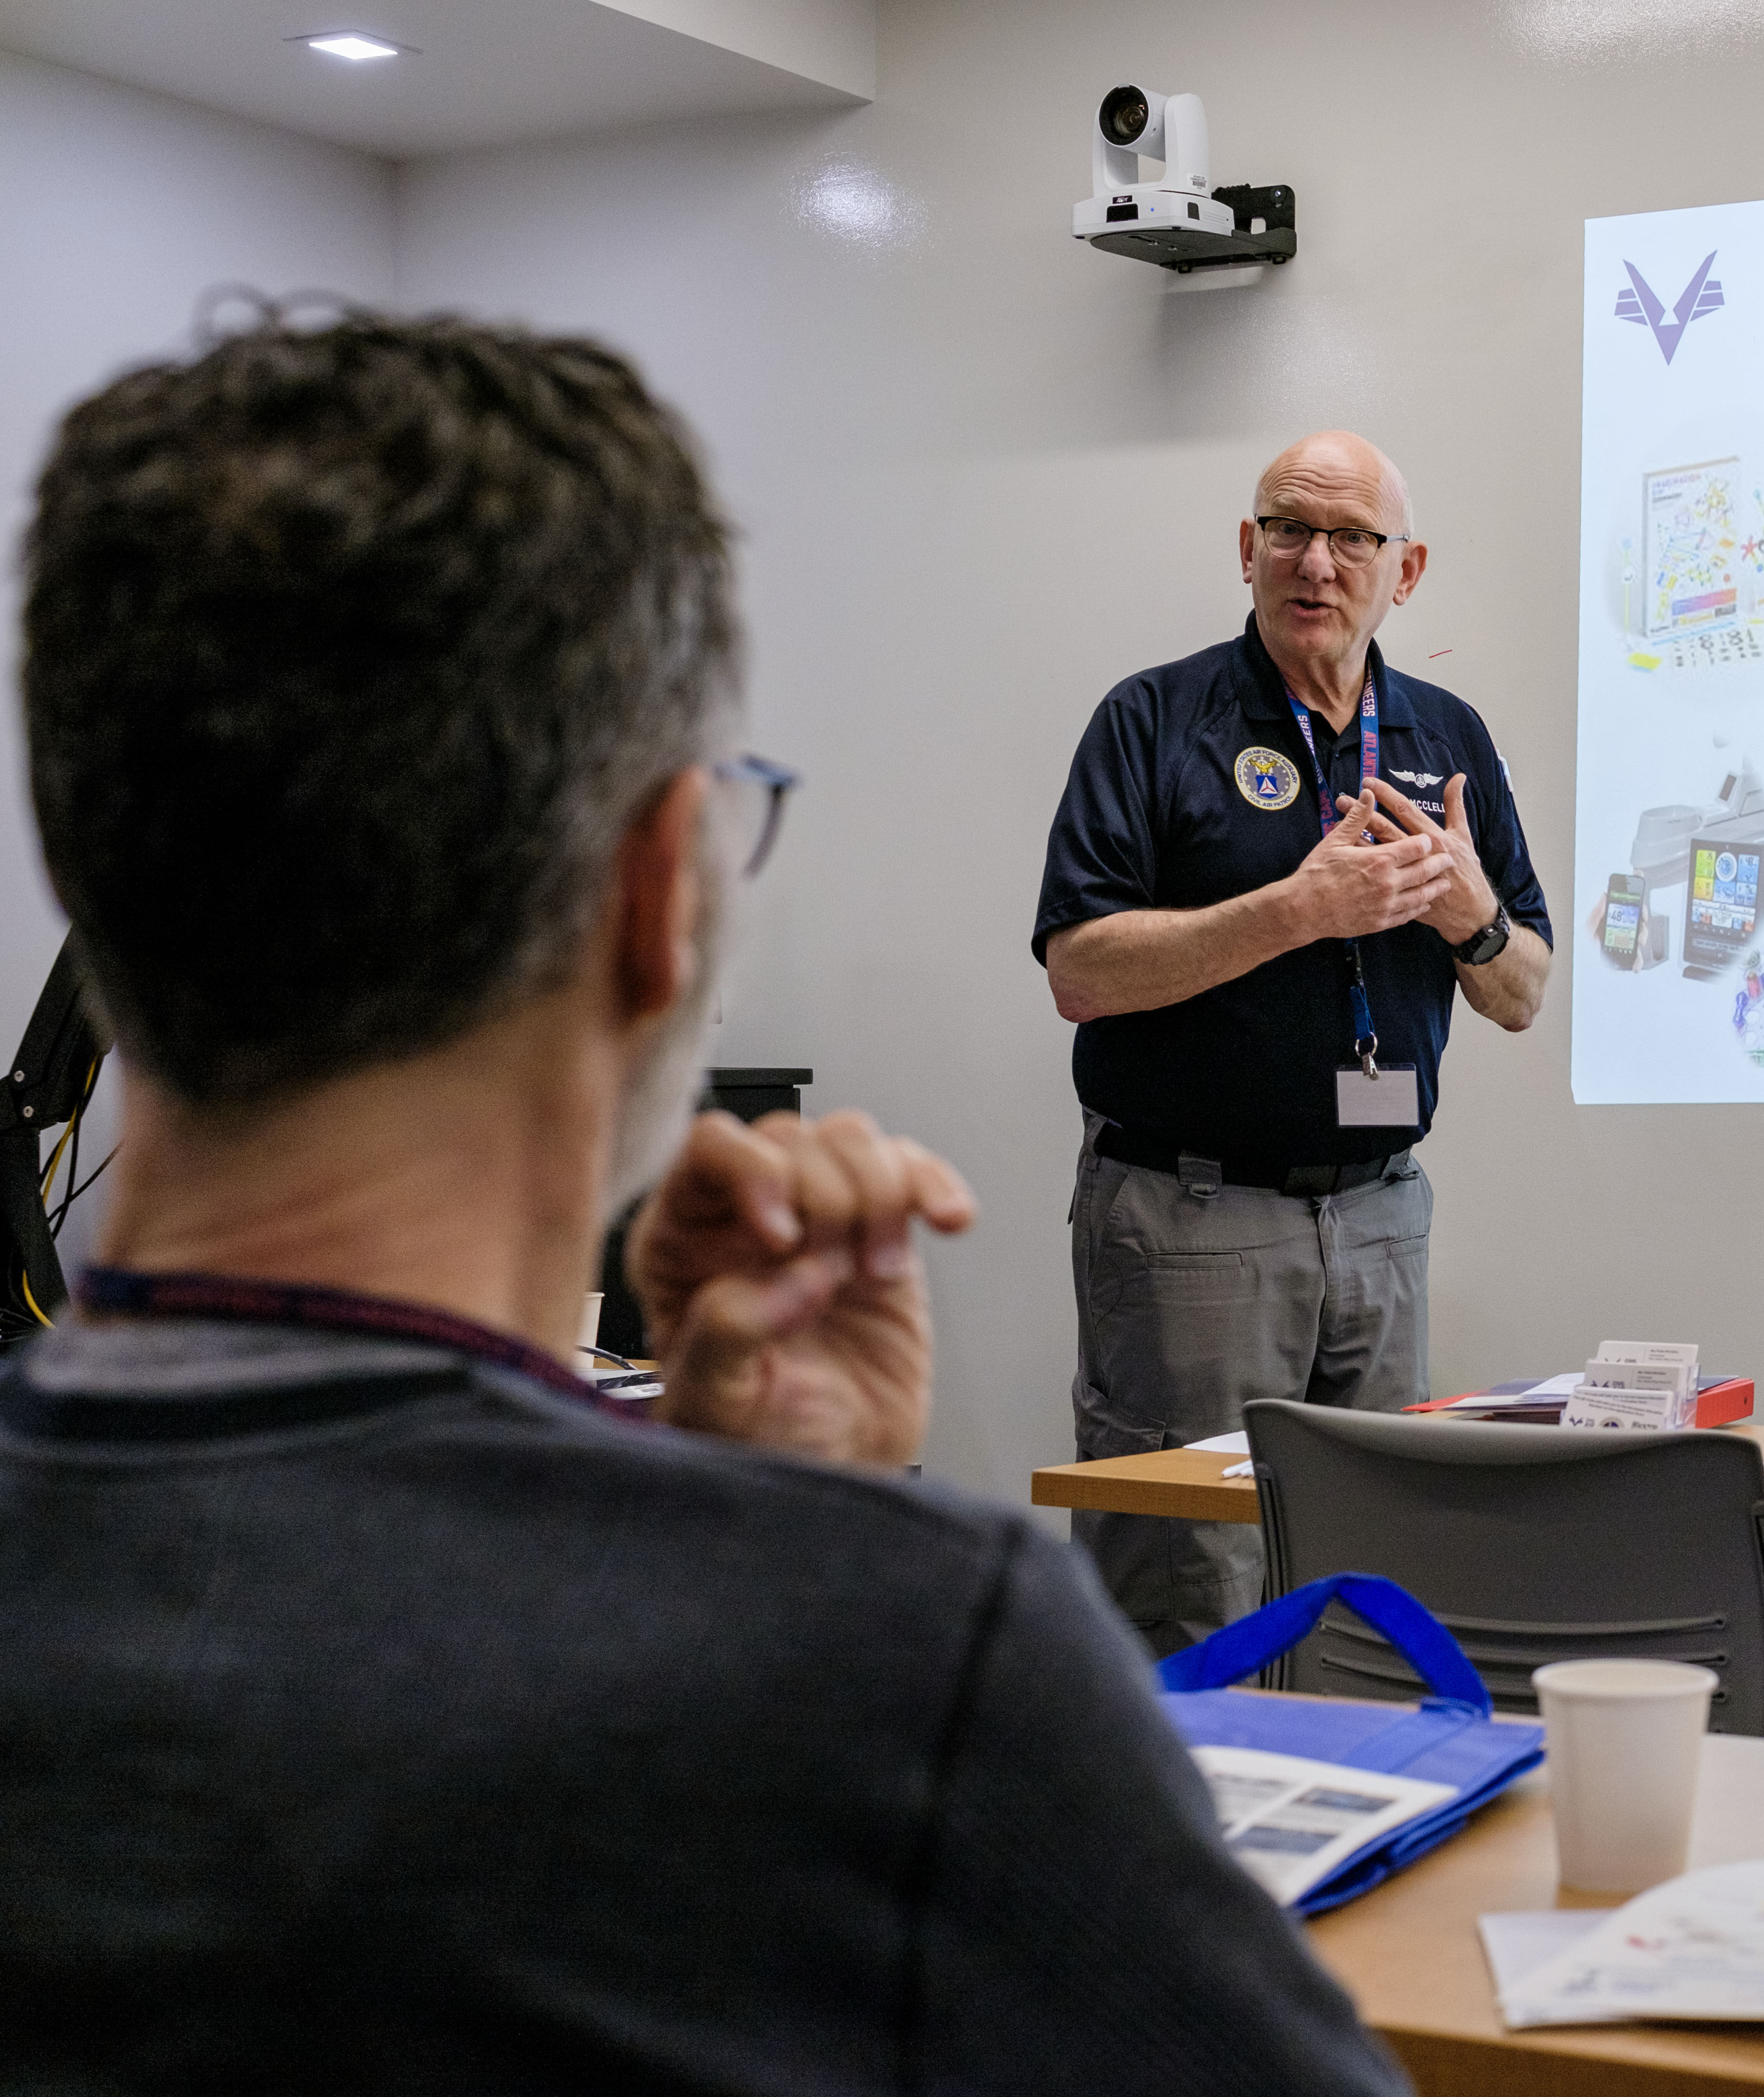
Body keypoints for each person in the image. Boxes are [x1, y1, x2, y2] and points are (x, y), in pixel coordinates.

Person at [0, 310, 1407, 2092]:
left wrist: (763, 1526)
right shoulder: (928, 1662)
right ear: (668, 890)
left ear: (91, 865)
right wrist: (804, 1584)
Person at [1036, 432, 1551, 1653]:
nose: (1315, 562)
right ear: (1247, 549)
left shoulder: (1451, 738)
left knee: (1367, 1577)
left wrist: (1467, 913)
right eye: (1288, 529)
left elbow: (1522, 991)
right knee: (1188, 1581)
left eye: (1352, 538)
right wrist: (1299, 910)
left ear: (1405, 570)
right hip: (1188, 1217)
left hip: (1380, 1214)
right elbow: (1079, 972)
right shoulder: (1154, 720)